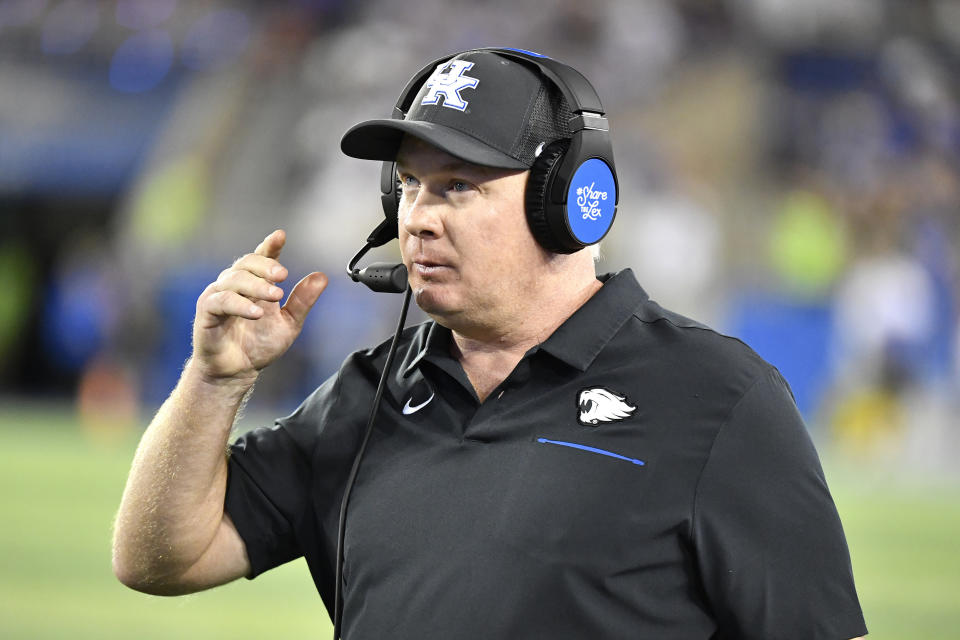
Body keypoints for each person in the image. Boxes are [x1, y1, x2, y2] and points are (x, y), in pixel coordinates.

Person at [113, 48, 868, 639]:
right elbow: (159, 557)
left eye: (458, 187)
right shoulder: (365, 394)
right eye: (408, 185)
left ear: (572, 201)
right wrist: (214, 382)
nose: (417, 218)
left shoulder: (718, 397)